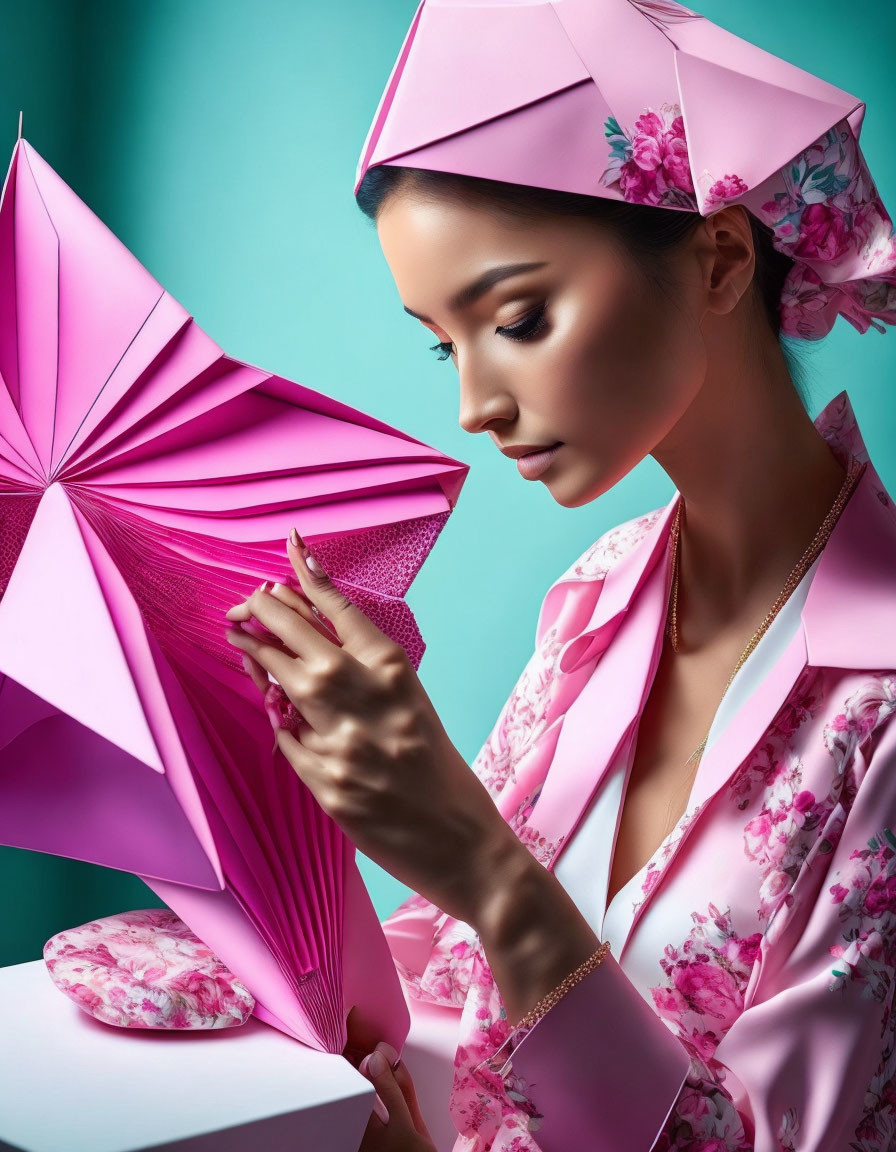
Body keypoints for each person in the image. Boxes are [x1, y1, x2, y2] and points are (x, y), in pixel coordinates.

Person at [320, 0, 896, 1149]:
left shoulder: (878, 705)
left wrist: (483, 867)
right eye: (446, 341)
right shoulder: (601, 591)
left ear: (721, 259)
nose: (473, 405)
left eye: (518, 317)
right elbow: (440, 986)